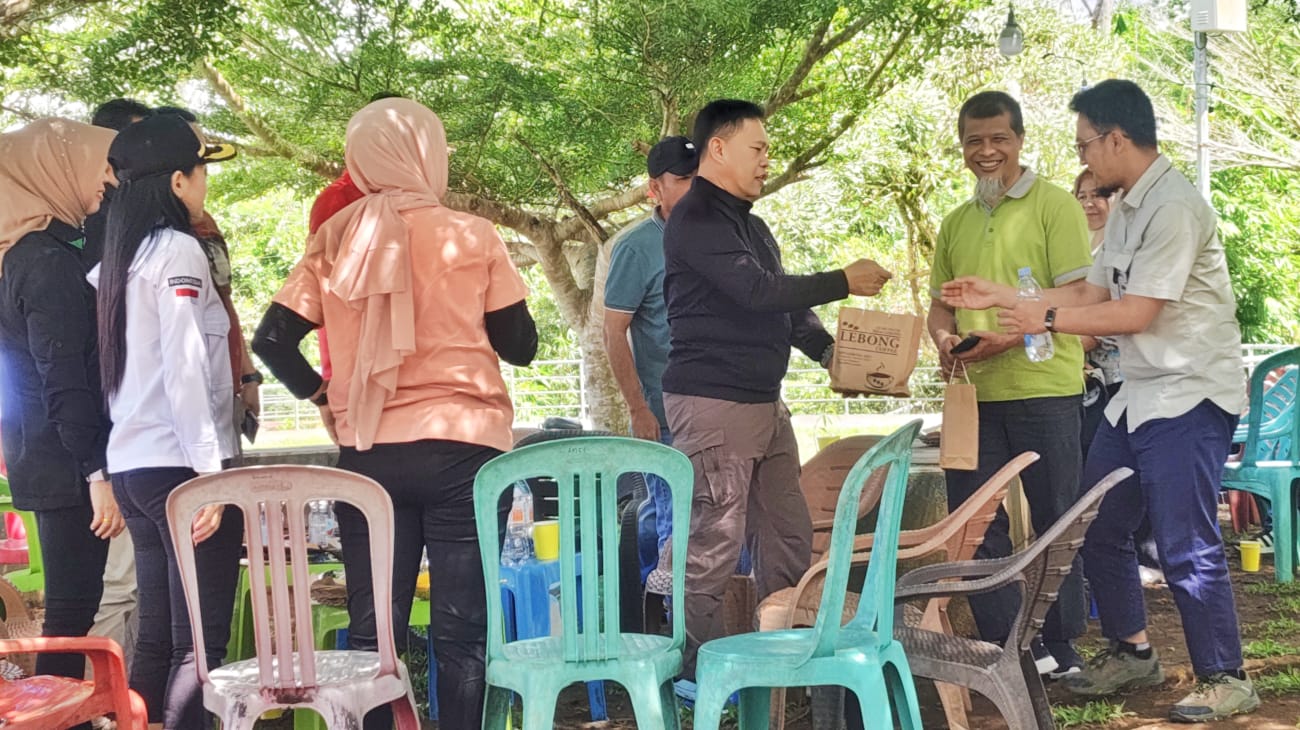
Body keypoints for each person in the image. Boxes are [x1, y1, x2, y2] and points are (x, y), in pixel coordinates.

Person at [942, 79, 1259, 722]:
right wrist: (1003, 298)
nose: (1084, 159)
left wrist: (1038, 323)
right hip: (1137, 396)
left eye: (1087, 144)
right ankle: (1132, 650)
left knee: (1184, 541)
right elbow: (1090, 294)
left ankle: (1226, 675)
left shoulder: (1173, 208)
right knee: (1099, 525)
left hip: (1189, 393)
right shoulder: (1130, 206)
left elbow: (1136, 313)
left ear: (1117, 138)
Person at [252, 97, 537, 730]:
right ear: (427, 154)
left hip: (371, 456)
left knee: (373, 629)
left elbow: (271, 339)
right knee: (463, 628)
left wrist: (322, 395)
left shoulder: (336, 236)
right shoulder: (473, 234)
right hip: (464, 448)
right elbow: (520, 347)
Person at [661, 98, 892, 697]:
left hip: (766, 404)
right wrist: (846, 279)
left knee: (787, 533)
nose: (768, 160)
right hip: (713, 404)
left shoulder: (753, 226)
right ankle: (697, 674)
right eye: (758, 148)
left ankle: (786, 652)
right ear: (719, 148)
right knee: (713, 542)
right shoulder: (696, 219)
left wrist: (835, 359)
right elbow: (756, 292)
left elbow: (788, 311)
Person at [926, 90, 1093, 677]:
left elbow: (1078, 297)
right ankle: (1010, 648)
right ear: (962, 148)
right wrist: (946, 341)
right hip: (973, 397)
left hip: (1046, 387)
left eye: (999, 138)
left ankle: (1065, 645)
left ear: (1020, 140)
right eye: (975, 141)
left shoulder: (1055, 207)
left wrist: (1013, 335)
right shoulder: (955, 222)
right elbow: (938, 309)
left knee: (1057, 517)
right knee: (975, 523)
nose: (987, 151)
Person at [92, 113, 244, 728]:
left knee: (159, 638)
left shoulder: (114, 262)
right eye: (202, 169)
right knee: (198, 647)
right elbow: (185, 368)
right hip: (179, 467)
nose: (206, 181)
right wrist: (210, 472)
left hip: (134, 465)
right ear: (179, 181)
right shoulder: (178, 251)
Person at [0, 119, 125, 720]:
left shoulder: (20, 254)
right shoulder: (42, 262)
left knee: (74, 604)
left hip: (45, 451)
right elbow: (62, 378)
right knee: (74, 608)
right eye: (100, 167)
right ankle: (56, 718)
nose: (107, 181)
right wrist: (96, 472)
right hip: (67, 457)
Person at [603, 135, 697, 580]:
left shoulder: (729, 236)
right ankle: (668, 640)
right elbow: (613, 330)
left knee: (725, 537)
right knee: (672, 533)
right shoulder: (636, 247)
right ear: (654, 189)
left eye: (700, 178)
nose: (695, 187)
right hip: (665, 417)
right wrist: (639, 409)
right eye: (683, 179)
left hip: (721, 415)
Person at [81, 98, 152, 677]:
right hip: (113, 438)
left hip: (123, 436)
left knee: (132, 584)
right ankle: (99, 702)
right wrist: (96, 469)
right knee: (121, 584)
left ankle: (120, 702)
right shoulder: (96, 228)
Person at [153, 105, 264, 453]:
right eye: (198, 163)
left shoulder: (205, 225)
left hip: (223, 391)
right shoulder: (146, 241)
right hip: (167, 419)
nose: (204, 175)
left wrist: (247, 374)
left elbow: (224, 299)